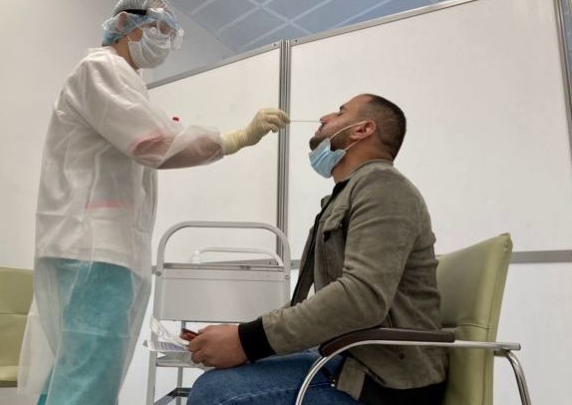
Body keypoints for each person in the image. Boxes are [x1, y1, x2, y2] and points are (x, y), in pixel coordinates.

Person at [17, 0, 289, 405]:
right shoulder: (102, 68)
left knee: (75, 370)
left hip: (95, 246)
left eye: (169, 32)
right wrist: (235, 138)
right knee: (88, 377)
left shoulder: (125, 81)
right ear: (125, 24)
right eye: (157, 27)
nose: (163, 38)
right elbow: (153, 143)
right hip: (95, 247)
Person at [184, 94, 448, 405]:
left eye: (339, 112)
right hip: (347, 358)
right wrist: (242, 335)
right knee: (222, 380)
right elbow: (324, 302)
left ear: (362, 129)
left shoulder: (383, 186)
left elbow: (361, 298)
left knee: (215, 394)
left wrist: (247, 341)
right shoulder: (349, 194)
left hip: (385, 383)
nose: (324, 117)